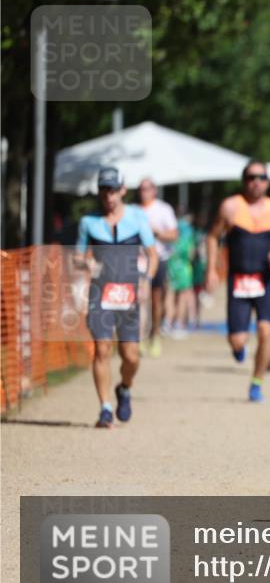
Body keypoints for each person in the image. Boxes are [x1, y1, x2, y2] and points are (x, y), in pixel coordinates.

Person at [74, 167, 158, 428]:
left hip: (129, 293)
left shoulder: (137, 217)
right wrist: (86, 264)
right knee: (102, 349)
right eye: (103, 190)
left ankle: (125, 387)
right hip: (101, 292)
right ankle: (105, 408)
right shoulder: (88, 222)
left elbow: (153, 255)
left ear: (123, 190)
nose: (108, 196)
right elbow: (77, 256)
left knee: (131, 356)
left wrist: (146, 281)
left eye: (113, 190)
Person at [205, 160, 270, 402]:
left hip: (265, 280)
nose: (256, 182)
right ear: (244, 181)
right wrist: (211, 269)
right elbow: (212, 237)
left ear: (268, 182)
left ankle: (256, 383)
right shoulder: (231, 207)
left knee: (266, 331)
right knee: (237, 339)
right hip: (238, 280)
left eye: (261, 177)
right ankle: (238, 347)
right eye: (251, 177)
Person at [137, 179, 178, 358]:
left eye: (147, 189)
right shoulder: (133, 210)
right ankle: (140, 337)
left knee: (155, 300)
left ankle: (155, 334)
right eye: (141, 189)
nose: (143, 192)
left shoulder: (163, 209)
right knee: (139, 300)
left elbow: (174, 234)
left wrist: (156, 233)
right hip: (138, 261)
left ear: (154, 191)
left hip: (159, 259)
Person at [166, 213, 197, 338]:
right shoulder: (188, 235)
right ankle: (178, 323)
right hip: (184, 269)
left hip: (171, 267)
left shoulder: (171, 234)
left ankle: (167, 322)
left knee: (170, 294)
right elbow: (191, 254)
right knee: (182, 296)